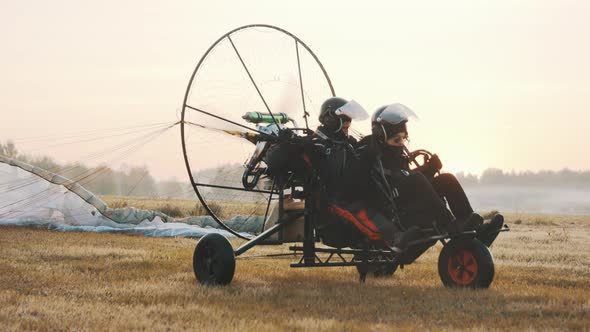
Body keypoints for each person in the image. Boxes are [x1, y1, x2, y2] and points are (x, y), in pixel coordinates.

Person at [357, 103, 503, 246]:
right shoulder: (369, 153)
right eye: (397, 139)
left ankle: (475, 228)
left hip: (409, 200)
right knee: (417, 178)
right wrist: (424, 171)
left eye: (403, 138)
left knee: (447, 179)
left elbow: (410, 180)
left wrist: (430, 169)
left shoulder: (397, 154)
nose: (401, 143)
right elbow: (398, 181)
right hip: (397, 212)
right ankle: (450, 224)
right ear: (380, 135)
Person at [303, 97, 415, 251]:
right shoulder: (315, 145)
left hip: (353, 194)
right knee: (363, 208)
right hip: (335, 202)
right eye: (345, 126)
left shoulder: (348, 143)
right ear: (330, 120)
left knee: (376, 200)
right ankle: (394, 237)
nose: (347, 129)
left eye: (348, 127)